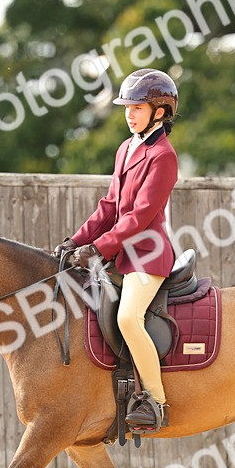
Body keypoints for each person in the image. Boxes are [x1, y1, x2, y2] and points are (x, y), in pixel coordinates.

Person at [55, 68, 179, 430]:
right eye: (127, 107)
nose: (129, 113)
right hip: (119, 254)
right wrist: (76, 240)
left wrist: (97, 248)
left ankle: (156, 401)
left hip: (148, 255)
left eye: (137, 107)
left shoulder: (163, 156)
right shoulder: (126, 148)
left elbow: (140, 216)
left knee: (128, 318)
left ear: (160, 111)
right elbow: (109, 206)